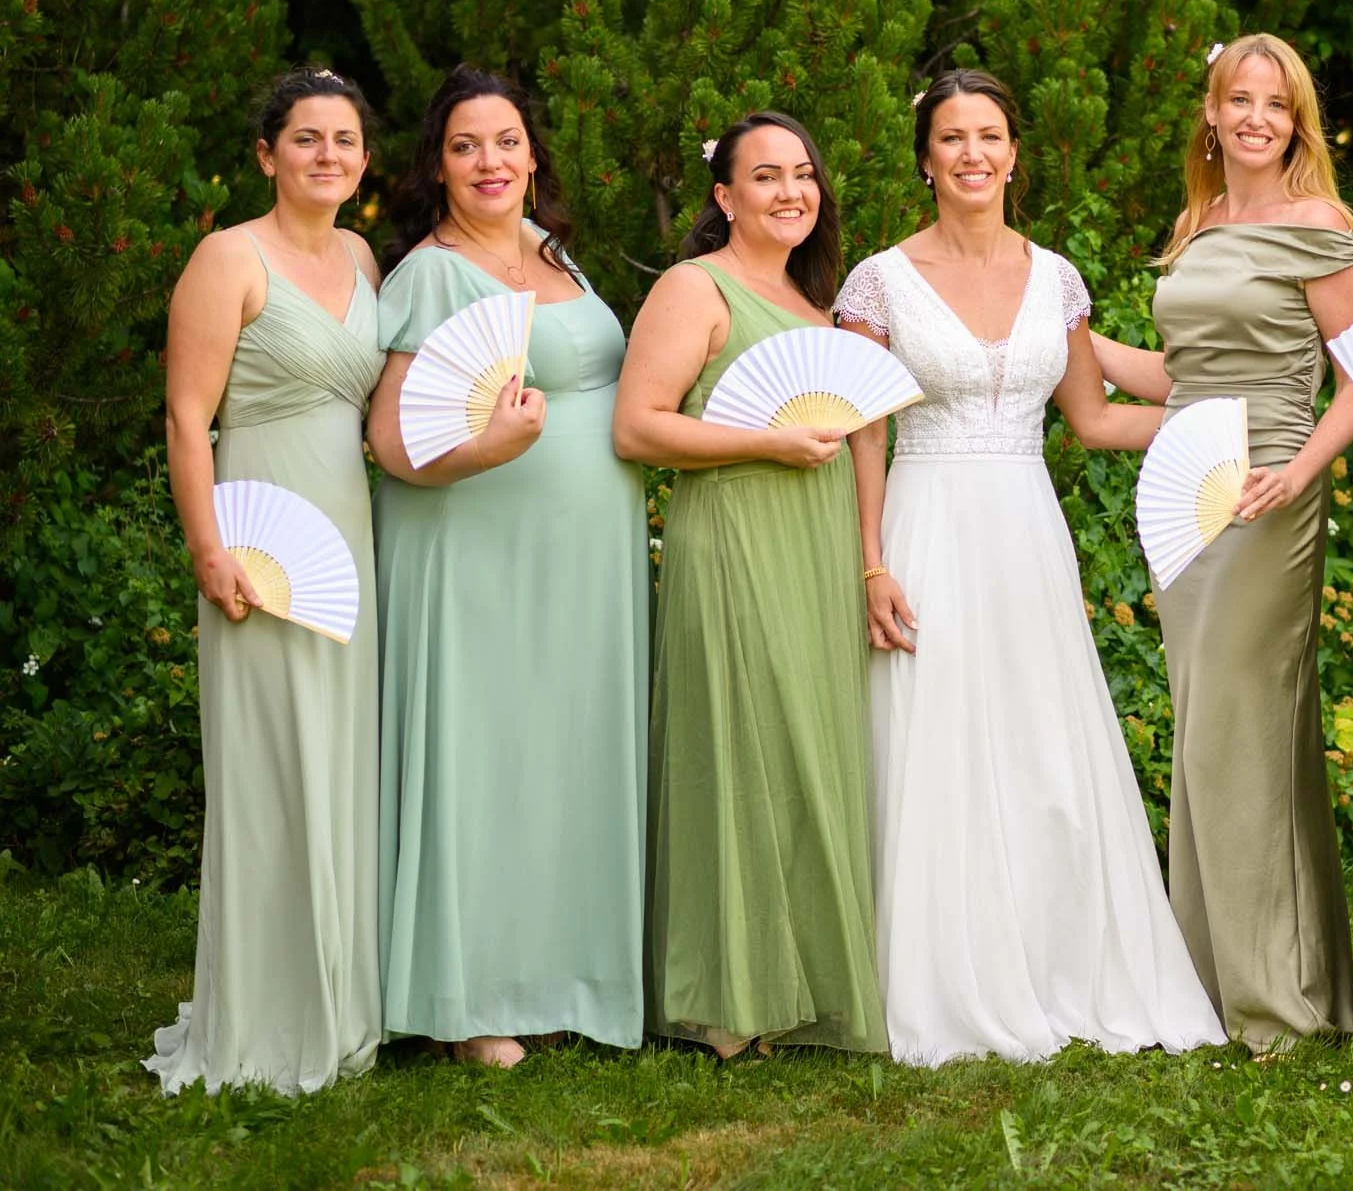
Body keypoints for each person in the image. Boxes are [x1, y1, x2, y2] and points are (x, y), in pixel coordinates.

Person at [834, 69, 1226, 1065]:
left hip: (1023, 529)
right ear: (924, 159)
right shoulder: (878, 280)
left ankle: (1057, 960)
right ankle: (935, 973)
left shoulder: (1053, 276)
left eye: (990, 136)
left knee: (1040, 745)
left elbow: (1092, 418)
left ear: (1015, 153)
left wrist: (1223, 427)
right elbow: (861, 434)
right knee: (933, 739)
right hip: (923, 517)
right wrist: (869, 562)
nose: (973, 154)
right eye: (952, 138)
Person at [1094, 33, 1353, 1053]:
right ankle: (1210, 985)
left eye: (1275, 103)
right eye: (1236, 99)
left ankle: (1281, 1004)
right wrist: (1058, 326)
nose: (1255, 117)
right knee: (1206, 718)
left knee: (1247, 720)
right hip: (1190, 485)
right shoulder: (1197, 220)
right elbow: (1177, 374)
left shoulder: (1321, 226)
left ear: (1295, 120)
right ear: (1209, 114)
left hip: (1271, 485)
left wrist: (1300, 473)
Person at [369, 65, 647, 1067]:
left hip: (583, 561)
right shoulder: (431, 273)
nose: (489, 162)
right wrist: (493, 449)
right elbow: (394, 442)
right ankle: (470, 997)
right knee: (483, 758)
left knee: (563, 755)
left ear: (534, 154)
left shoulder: (557, 254)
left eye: (505, 142)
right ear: (437, 169)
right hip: (473, 552)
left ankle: (564, 973)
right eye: (464, 146)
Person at [612, 111, 886, 1056]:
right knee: (735, 745)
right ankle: (718, 997)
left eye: (804, 175)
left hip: (813, 544)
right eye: (765, 177)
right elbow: (638, 427)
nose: (790, 192)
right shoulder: (697, 289)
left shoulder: (821, 312)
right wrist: (765, 438)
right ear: (724, 196)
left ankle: (794, 988)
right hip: (731, 528)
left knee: (805, 749)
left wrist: (866, 561)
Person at [151, 67, 386, 1094]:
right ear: (266, 153)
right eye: (305, 138)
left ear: (364, 160)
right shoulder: (227, 257)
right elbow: (185, 418)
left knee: (339, 759)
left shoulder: (366, 255)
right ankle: (262, 1015)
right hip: (261, 534)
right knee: (268, 766)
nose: (326, 155)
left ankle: (340, 999)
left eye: (343, 139)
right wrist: (210, 548)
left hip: (347, 536)